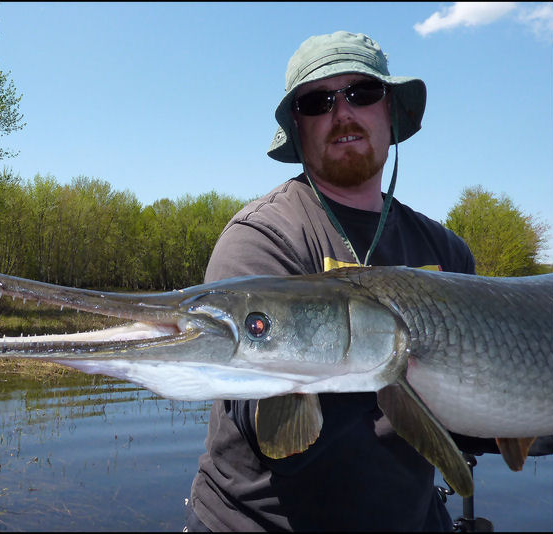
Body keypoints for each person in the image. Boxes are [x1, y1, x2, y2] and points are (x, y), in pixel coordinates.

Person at [185, 30, 488, 531]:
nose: (342, 113)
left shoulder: (446, 251)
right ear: (298, 128)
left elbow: (468, 423)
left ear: (390, 112)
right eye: (318, 101)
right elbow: (259, 417)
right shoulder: (262, 238)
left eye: (362, 93)